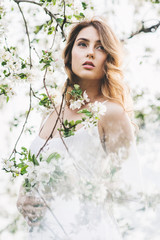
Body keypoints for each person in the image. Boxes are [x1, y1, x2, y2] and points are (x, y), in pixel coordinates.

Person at [17, 17, 142, 240]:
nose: (90, 52)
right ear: (70, 53)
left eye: (100, 47)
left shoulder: (111, 112)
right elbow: (33, 178)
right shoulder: (52, 113)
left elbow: (132, 189)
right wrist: (23, 197)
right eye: (82, 44)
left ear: (108, 58)